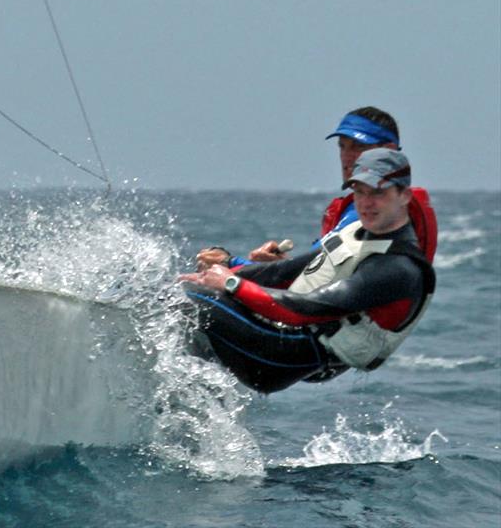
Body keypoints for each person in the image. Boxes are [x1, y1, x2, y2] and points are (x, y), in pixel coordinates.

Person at [180, 148, 436, 377]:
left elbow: (305, 308)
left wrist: (232, 283)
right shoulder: (356, 231)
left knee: (181, 299)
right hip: (286, 334)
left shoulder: (397, 268)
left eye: (378, 192)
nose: (366, 203)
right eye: (359, 191)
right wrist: (222, 273)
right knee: (185, 290)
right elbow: (284, 271)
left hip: (288, 358)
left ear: (404, 195)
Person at [196, 106, 437, 270]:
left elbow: (314, 278)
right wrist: (278, 264)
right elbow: (320, 271)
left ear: (389, 150)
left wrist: (230, 264)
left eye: (358, 147)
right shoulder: (369, 208)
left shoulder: (375, 213)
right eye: (343, 146)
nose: (347, 156)